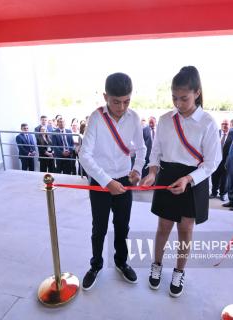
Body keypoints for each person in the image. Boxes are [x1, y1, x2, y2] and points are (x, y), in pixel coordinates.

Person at [140, 66, 221, 298]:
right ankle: (157, 264)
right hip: (166, 176)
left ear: (197, 93)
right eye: (174, 97)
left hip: (193, 178)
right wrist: (153, 173)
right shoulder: (166, 120)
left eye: (184, 98)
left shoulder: (207, 122)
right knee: (163, 226)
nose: (178, 103)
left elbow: (213, 162)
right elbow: (155, 151)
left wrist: (188, 178)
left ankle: (179, 270)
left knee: (185, 228)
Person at [79, 72, 146, 290]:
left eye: (126, 101)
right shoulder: (97, 118)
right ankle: (96, 265)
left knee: (122, 226)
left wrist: (136, 170)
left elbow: (142, 148)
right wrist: (106, 182)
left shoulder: (134, 118)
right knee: (99, 227)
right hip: (101, 182)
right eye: (116, 102)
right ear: (105, 96)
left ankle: (121, 262)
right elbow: (84, 155)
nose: (121, 107)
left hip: (125, 181)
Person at [210, 119, 233, 201]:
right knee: (214, 176)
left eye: (226, 124)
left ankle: (222, 194)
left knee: (224, 178)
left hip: (226, 161)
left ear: (230, 125)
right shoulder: (215, 132)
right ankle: (214, 192)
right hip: (215, 160)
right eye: (223, 124)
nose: (224, 125)